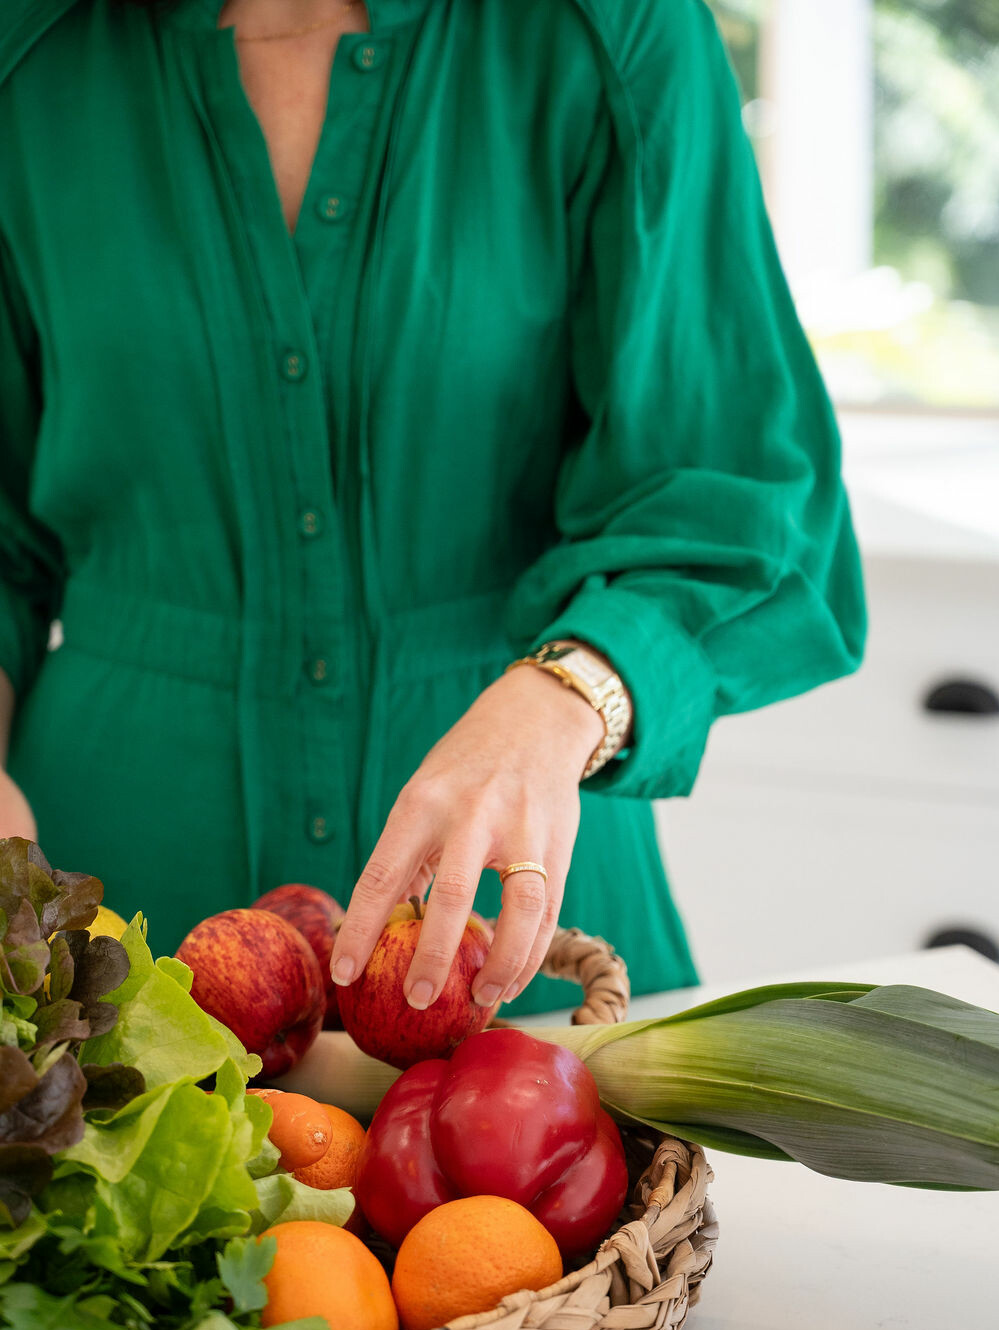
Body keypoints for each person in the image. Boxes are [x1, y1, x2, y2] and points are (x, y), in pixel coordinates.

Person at [0, 0, 866, 1018]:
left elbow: (738, 494)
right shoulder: (26, 53)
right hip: (111, 937)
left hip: (521, 929)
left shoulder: (615, 30)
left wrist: (561, 698)